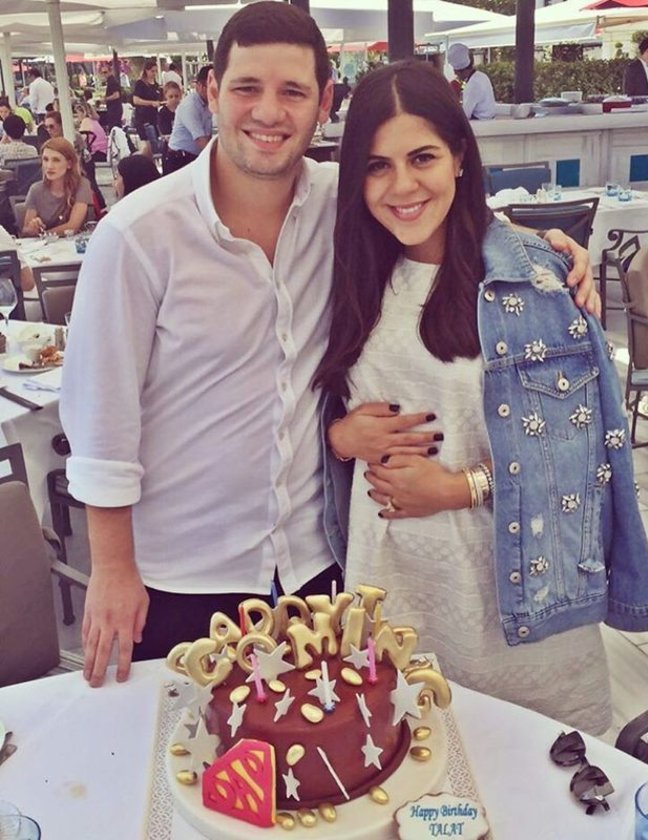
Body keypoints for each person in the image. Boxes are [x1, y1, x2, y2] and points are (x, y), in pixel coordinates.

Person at [60, 2, 598, 690]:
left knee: (321, 746)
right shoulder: (138, 236)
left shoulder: (341, 204)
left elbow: (436, 206)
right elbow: (101, 424)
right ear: (212, 90)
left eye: (293, 91)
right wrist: (112, 570)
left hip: (318, 569)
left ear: (323, 103)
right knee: (188, 749)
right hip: (184, 577)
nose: (268, 112)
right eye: (247, 87)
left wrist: (542, 249)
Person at [314, 60, 648, 734]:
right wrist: (339, 438)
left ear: (459, 157)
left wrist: (458, 488)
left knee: (532, 776)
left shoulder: (532, 281)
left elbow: (582, 457)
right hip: (391, 584)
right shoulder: (348, 271)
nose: (402, 186)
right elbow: (310, 408)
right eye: (377, 166)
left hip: (513, 600)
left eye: (422, 158)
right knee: (408, 775)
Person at [22, 138, 92, 237]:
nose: (49, 166)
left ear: (69, 164)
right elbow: (26, 230)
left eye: (56, 160)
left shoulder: (82, 185)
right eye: (45, 159)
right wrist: (32, 228)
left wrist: (44, 235)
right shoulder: (35, 190)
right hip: (44, 245)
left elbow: (73, 226)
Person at [163, 65, 213, 174]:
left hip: (195, 157)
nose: (214, 91)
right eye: (210, 86)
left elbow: (209, 135)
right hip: (179, 159)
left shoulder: (209, 103)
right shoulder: (190, 106)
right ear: (199, 86)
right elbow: (201, 140)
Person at [446, 42, 495, 121]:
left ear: (459, 70)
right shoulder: (482, 76)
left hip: (480, 124)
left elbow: (464, 116)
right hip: (489, 122)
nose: (455, 74)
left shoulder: (472, 85)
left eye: (455, 71)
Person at [132, 60, 163, 148]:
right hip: (143, 117)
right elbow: (136, 100)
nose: (154, 73)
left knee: (156, 142)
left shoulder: (156, 85)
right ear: (146, 70)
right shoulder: (140, 84)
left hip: (154, 118)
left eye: (155, 71)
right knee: (148, 143)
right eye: (152, 71)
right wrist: (150, 103)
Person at [100, 64, 123, 129]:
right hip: (114, 108)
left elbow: (116, 95)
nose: (104, 74)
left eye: (105, 72)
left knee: (114, 128)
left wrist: (105, 99)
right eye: (102, 73)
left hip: (114, 109)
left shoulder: (112, 81)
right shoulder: (110, 81)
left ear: (110, 71)